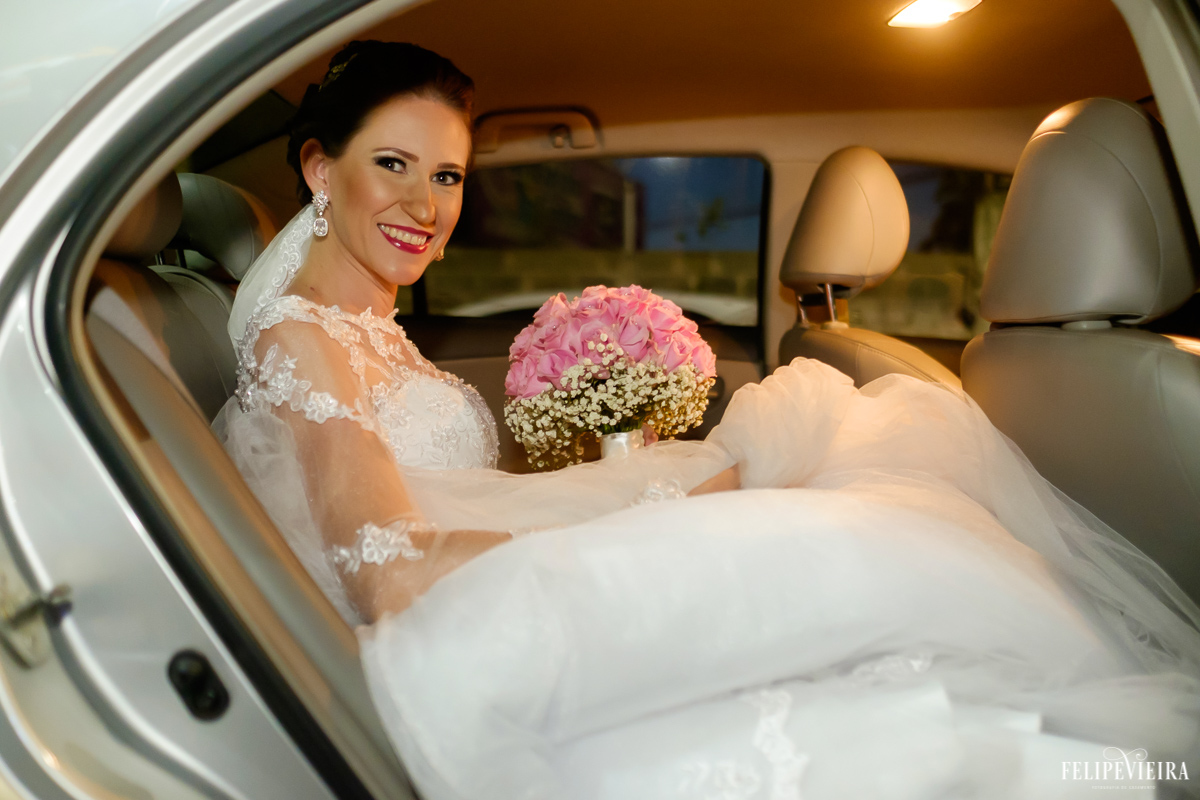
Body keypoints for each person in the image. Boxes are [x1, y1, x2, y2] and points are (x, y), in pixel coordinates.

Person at [216, 41, 1200, 799]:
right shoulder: (305, 341)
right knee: (859, 548)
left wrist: (633, 485)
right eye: (393, 162)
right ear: (317, 168)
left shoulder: (362, 325)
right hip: (438, 637)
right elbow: (388, 567)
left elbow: (425, 495)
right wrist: (625, 512)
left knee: (848, 517)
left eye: (449, 175)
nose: (425, 205)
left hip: (472, 588)